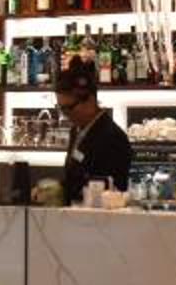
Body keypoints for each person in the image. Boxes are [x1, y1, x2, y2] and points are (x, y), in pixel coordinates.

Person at [57, 59, 133, 201]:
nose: (65, 114)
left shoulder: (111, 137)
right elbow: (74, 177)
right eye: (61, 108)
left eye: (69, 108)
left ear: (90, 100)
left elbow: (110, 189)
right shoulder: (76, 130)